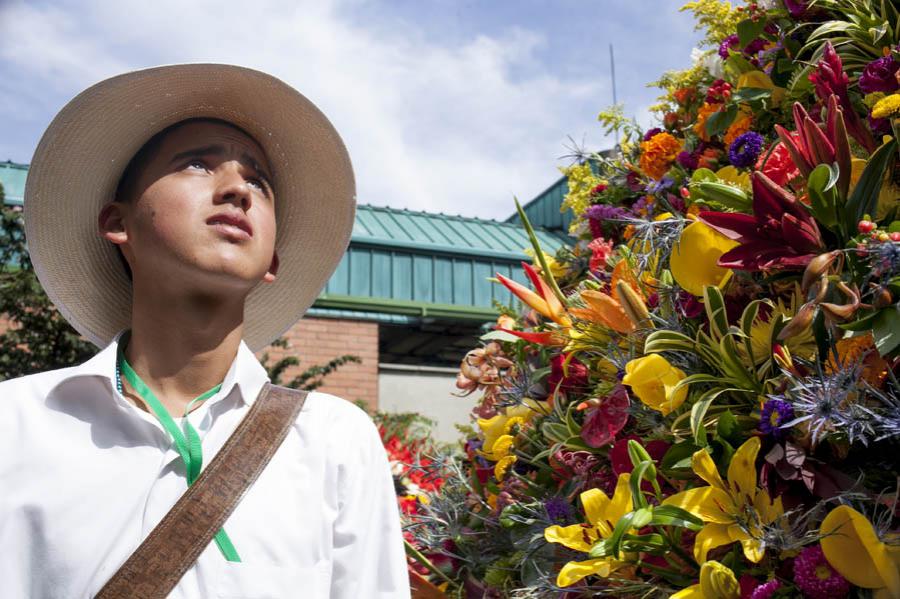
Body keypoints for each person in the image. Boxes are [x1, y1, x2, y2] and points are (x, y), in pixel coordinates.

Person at [0, 64, 411, 598]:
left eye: (259, 183)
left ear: (272, 263)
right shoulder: (18, 425)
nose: (238, 188)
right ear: (116, 222)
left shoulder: (334, 439)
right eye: (197, 163)